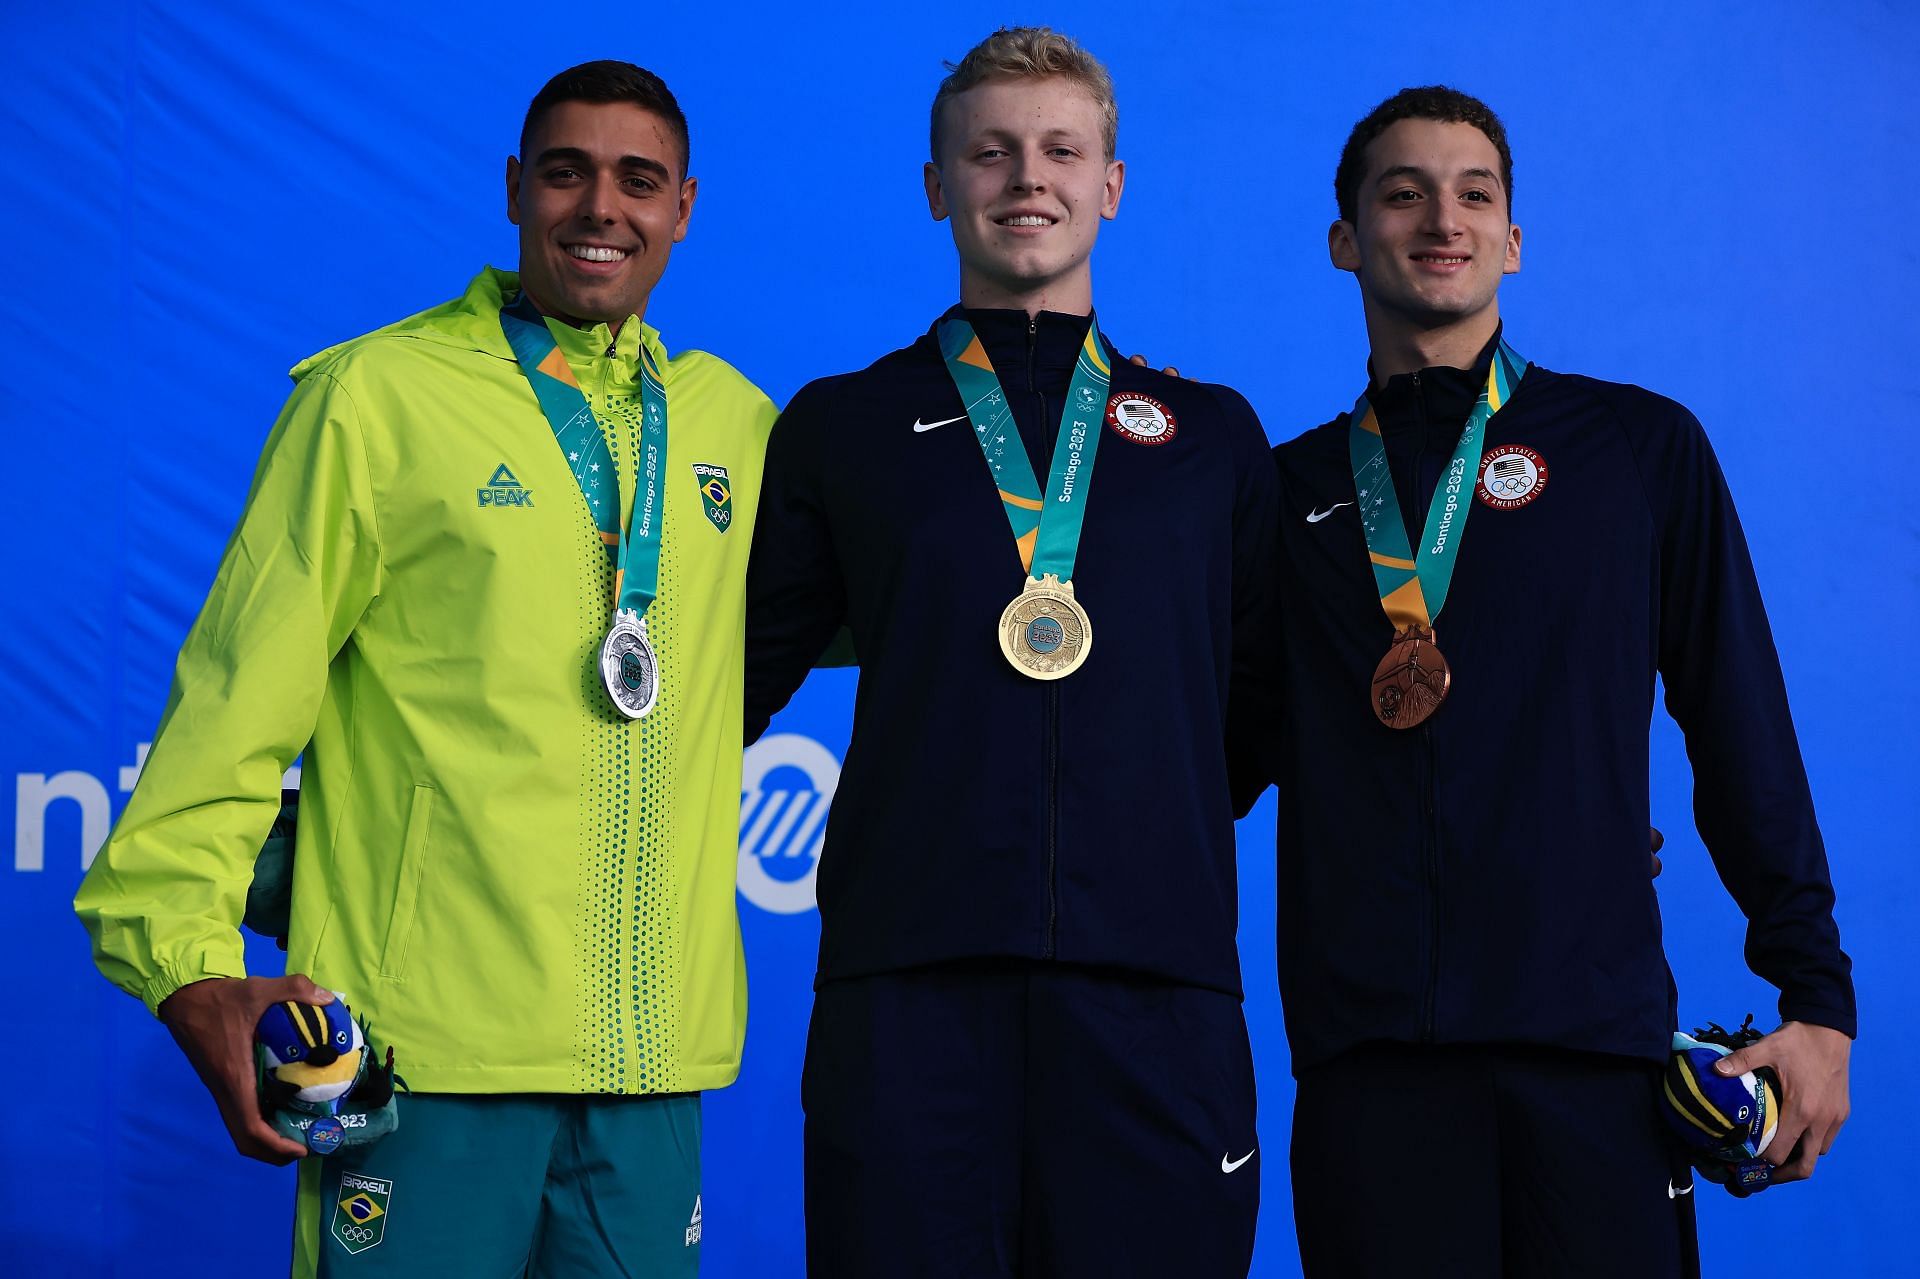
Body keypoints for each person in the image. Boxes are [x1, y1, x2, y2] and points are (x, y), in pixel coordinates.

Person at [73, 60, 775, 1277]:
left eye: (638, 180)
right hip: (425, 1066)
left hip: (652, 1075)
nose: (600, 207)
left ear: (685, 208)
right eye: (566, 173)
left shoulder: (739, 430)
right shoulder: (377, 399)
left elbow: (915, 596)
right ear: (513, 189)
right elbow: (232, 708)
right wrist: (187, 963)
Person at [1262, 85, 1855, 1277]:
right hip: (1371, 1065)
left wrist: (1817, 995)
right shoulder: (1281, 499)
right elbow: (1196, 753)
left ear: (1514, 241)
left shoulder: (1636, 450)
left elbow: (1740, 726)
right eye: (1404, 191)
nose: (1444, 217)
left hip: (1592, 1058)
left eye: (1476, 193)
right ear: (1343, 241)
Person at [743, 27, 1278, 1278]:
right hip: (908, 996)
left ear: (1111, 183)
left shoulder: (1211, 437)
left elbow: (1267, 704)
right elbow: (727, 684)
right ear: (939, 186)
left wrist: (1145, 828)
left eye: (1060, 150)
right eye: (989, 152)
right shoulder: (844, 426)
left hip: (1158, 995)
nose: (1025, 179)